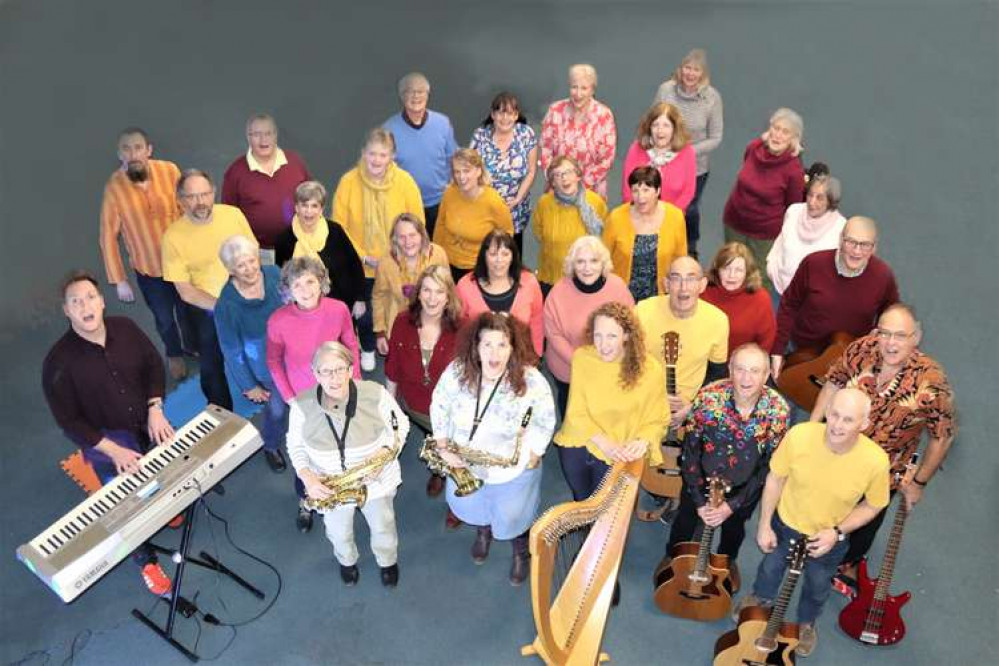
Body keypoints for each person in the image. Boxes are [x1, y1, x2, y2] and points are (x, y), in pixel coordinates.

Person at [41, 272, 176, 596]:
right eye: (76, 301)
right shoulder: (57, 363)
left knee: (161, 471)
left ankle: (165, 510)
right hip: (106, 442)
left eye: (90, 297)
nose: (85, 306)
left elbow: (154, 366)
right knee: (123, 506)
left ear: (102, 301)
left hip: (146, 420)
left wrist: (155, 407)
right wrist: (113, 450)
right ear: (67, 311)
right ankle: (146, 562)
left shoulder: (126, 329)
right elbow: (69, 421)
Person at [811, 304, 956, 596]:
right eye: (885, 333)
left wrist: (918, 483)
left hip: (885, 468)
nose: (891, 343)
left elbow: (942, 436)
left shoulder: (932, 381)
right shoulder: (860, 350)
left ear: (916, 337)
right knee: (822, 499)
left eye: (900, 336)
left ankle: (850, 562)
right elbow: (833, 385)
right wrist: (811, 430)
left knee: (867, 521)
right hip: (839, 447)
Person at [733, 389, 890, 658]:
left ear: (864, 424)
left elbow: (873, 505)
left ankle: (806, 623)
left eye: (848, 420)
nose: (837, 426)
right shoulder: (799, 435)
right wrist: (764, 524)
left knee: (817, 586)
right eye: (835, 414)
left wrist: (837, 532)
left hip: (829, 540)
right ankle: (760, 600)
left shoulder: (876, 461)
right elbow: (775, 478)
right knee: (770, 569)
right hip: (786, 527)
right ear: (827, 410)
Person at [430, 313, 556, 586]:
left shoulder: (531, 380)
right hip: (466, 462)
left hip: (512, 466)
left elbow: (545, 418)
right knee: (475, 504)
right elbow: (439, 404)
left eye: (502, 344)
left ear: (513, 348)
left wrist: (535, 452)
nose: (494, 353)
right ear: (475, 346)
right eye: (487, 344)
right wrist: (441, 444)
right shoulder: (457, 372)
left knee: (514, 514)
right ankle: (483, 531)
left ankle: (520, 548)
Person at [659, 344, 789, 590]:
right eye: (739, 369)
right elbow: (690, 452)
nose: (746, 378)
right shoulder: (708, 398)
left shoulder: (777, 411)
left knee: (734, 530)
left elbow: (768, 467)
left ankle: (727, 562)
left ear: (767, 375)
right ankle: (673, 556)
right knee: (685, 522)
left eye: (754, 371)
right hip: (701, 479)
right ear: (729, 369)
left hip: (745, 486)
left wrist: (732, 506)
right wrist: (698, 501)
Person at [287, 342, 409, 588]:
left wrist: (386, 455)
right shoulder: (301, 405)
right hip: (329, 486)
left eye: (340, 368)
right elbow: (295, 445)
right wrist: (307, 477)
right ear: (315, 373)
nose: (334, 377)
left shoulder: (375, 393)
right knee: (338, 532)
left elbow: (401, 425)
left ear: (352, 368)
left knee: (383, 525)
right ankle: (347, 561)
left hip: (375, 481)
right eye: (325, 371)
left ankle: (387, 561)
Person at [98, 127, 188, 380]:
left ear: (149, 150)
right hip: (149, 270)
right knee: (164, 319)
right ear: (119, 154)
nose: (133, 153)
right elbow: (107, 235)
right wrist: (119, 280)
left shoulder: (170, 171)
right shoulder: (114, 188)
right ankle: (174, 354)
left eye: (138, 147)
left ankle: (191, 345)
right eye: (126, 149)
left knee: (187, 310)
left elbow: (187, 210)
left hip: (182, 264)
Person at [555, 302, 669, 501]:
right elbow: (576, 412)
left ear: (626, 336)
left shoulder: (650, 369)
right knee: (581, 499)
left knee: (605, 506)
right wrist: (604, 443)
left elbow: (658, 417)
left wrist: (643, 440)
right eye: (598, 335)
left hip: (620, 448)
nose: (603, 345)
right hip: (579, 441)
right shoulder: (582, 358)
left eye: (612, 336)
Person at [332, 128, 424, 372]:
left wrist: (396, 255)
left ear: (392, 156)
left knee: (398, 308)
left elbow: (416, 221)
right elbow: (339, 228)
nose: (377, 160)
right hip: (360, 264)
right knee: (365, 313)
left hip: (397, 262)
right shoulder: (348, 182)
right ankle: (368, 347)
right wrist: (362, 256)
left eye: (383, 155)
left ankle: (400, 348)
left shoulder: (405, 182)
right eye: (372, 154)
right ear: (363, 153)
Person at [162, 169, 254, 410]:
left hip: (245, 293)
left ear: (213, 193)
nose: (200, 202)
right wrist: (225, 308)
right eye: (191, 197)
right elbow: (185, 291)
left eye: (204, 194)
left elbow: (253, 256)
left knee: (265, 346)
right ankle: (222, 413)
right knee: (211, 366)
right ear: (180, 201)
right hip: (208, 307)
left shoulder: (233, 215)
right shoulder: (172, 237)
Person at [771, 216, 900, 381]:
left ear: (874, 247)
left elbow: (893, 319)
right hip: (801, 352)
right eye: (851, 242)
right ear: (840, 239)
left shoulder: (883, 276)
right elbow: (789, 304)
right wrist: (777, 350)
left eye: (865, 245)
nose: (857, 251)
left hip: (848, 362)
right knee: (794, 395)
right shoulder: (813, 263)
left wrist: (876, 343)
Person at [385, 265, 462, 501]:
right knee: (433, 443)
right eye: (426, 290)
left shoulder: (462, 327)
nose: (432, 298)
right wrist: (389, 411)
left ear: (448, 296)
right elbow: (392, 369)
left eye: (439, 292)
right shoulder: (402, 322)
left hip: (451, 413)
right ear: (418, 293)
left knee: (455, 452)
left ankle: (456, 492)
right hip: (414, 406)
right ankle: (438, 470)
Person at [214, 235, 288, 473]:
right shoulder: (226, 305)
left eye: (251, 261)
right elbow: (231, 350)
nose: (249, 269)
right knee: (276, 410)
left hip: (294, 354)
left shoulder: (274, 273)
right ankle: (271, 445)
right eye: (240, 266)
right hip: (267, 368)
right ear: (230, 270)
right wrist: (249, 385)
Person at [543, 236, 634, 418]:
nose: (587, 268)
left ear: (603, 263)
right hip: (569, 370)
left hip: (610, 368)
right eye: (581, 262)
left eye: (594, 261)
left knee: (606, 417)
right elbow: (553, 334)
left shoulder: (618, 287)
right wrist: (582, 362)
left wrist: (606, 363)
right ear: (572, 265)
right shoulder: (559, 291)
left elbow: (630, 326)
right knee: (573, 418)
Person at [634, 256, 728, 428]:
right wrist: (654, 398)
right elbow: (628, 366)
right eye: (676, 278)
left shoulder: (718, 320)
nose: (683, 287)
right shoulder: (642, 312)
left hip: (691, 406)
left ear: (702, 285)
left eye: (691, 279)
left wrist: (692, 408)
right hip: (645, 402)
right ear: (666, 284)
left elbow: (717, 376)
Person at [723, 108, 806, 289]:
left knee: (759, 279)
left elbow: (793, 208)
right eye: (776, 128)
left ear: (794, 139)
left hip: (764, 235)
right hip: (734, 221)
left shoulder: (793, 171)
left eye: (785, 132)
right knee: (730, 269)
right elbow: (745, 174)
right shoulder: (753, 148)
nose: (778, 135)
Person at [655, 48, 724, 257]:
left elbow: (716, 137)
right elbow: (653, 121)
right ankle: (660, 244)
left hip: (695, 167)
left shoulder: (712, 98)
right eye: (687, 68)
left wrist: (687, 153)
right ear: (680, 69)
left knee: (689, 209)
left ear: (703, 74)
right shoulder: (666, 90)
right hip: (662, 161)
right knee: (661, 205)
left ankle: (690, 247)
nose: (690, 73)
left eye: (696, 70)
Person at [221, 113, 311, 259]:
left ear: (276, 135)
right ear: (248, 137)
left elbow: (311, 199)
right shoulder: (235, 172)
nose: (263, 140)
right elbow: (229, 217)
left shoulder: (295, 162)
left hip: (297, 247)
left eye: (268, 133)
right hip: (256, 253)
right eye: (257, 134)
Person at [274, 181, 366, 314]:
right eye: (304, 205)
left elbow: (354, 265)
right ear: (296, 207)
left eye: (314, 206)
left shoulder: (335, 231)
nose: (309, 211)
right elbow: (282, 279)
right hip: (303, 310)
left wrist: (360, 299)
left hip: (341, 305)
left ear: (321, 209)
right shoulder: (285, 239)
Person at [383, 72, 458, 237]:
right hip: (405, 207)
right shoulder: (388, 129)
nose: (416, 96)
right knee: (410, 255)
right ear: (402, 96)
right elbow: (382, 170)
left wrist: (453, 186)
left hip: (440, 204)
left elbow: (454, 159)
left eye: (420, 91)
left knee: (439, 253)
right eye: (410, 91)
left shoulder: (442, 123)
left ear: (428, 95)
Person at [602, 166, 687, 303]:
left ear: (658, 191)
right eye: (635, 190)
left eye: (646, 190)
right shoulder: (616, 218)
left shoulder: (675, 217)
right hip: (621, 295)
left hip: (659, 296)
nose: (640, 197)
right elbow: (603, 259)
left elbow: (680, 258)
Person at [455, 230, 544, 356]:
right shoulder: (465, 285)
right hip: (478, 359)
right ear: (483, 256)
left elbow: (537, 320)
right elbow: (458, 325)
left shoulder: (530, 282)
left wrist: (536, 355)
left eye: (505, 254)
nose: (499, 260)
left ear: (513, 256)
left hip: (521, 358)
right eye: (493, 254)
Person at [470, 92, 539, 254]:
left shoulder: (526, 134)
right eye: (501, 112)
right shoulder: (480, 136)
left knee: (512, 255)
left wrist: (517, 199)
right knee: (488, 253)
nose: (505, 118)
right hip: (485, 207)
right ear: (493, 115)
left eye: (510, 113)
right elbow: (471, 168)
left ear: (516, 116)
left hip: (515, 209)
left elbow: (531, 170)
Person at [433, 149, 514, 283]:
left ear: (478, 171)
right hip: (448, 265)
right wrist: (436, 260)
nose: (461, 177)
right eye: (457, 172)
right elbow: (440, 227)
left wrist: (496, 265)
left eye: (466, 171)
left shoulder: (493, 201)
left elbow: (507, 235)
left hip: (478, 269)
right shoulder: (449, 194)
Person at [373, 213, 449, 356]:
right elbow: (379, 297)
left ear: (422, 235)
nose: (408, 242)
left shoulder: (438, 254)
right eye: (402, 237)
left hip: (435, 321)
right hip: (399, 322)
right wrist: (380, 332)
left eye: (412, 235)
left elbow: (448, 290)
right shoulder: (386, 263)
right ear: (394, 239)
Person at [531, 156, 608, 294]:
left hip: (585, 277)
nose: (564, 178)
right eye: (558, 175)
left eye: (568, 172)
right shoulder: (544, 203)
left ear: (578, 176)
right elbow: (539, 232)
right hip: (551, 278)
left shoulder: (595, 202)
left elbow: (605, 236)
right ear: (553, 183)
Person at [540, 64, 617, 200]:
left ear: (592, 90)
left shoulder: (604, 115)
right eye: (574, 87)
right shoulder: (555, 110)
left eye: (584, 88)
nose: (578, 93)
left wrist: (580, 185)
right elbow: (546, 150)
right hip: (557, 188)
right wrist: (557, 180)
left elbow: (607, 159)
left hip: (591, 190)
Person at [766, 168, 847, 298]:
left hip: (809, 301)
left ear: (831, 201)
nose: (812, 202)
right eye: (810, 194)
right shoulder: (793, 211)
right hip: (779, 291)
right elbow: (780, 242)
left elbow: (840, 270)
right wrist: (771, 266)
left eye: (820, 198)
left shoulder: (841, 228)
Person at [702, 242, 776, 358]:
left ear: (748, 272)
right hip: (706, 362)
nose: (732, 275)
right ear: (717, 269)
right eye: (726, 268)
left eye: (739, 270)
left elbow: (766, 342)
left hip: (744, 365)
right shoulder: (702, 292)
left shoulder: (761, 298)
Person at [621, 102, 697, 212]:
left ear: (675, 129)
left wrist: (667, 217)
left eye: (666, 125)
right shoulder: (636, 149)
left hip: (671, 218)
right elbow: (627, 189)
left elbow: (688, 191)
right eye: (655, 125)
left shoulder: (687, 152)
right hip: (637, 216)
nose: (660, 131)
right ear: (649, 127)